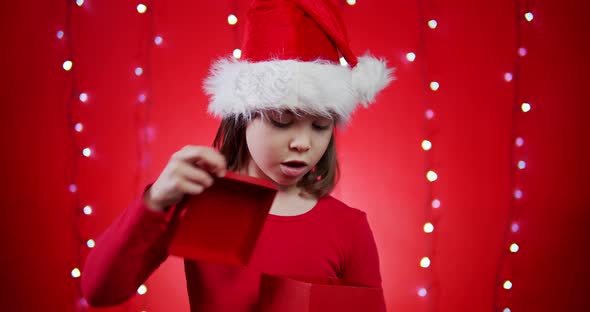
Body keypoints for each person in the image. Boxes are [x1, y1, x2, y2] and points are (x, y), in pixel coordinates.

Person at [81, 0, 393, 311]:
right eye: (281, 121)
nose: (302, 143)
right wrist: (156, 201)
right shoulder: (204, 202)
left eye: (320, 126)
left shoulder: (348, 227)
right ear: (242, 116)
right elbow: (100, 290)